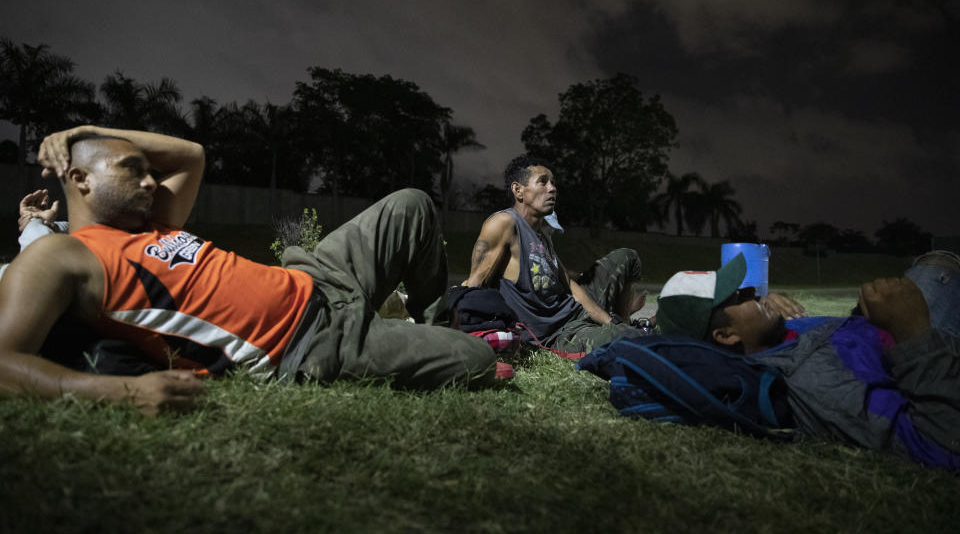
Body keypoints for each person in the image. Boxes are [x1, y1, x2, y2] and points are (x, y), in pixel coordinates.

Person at [0, 125, 496, 415]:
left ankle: (430, 326)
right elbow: (3, 360)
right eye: (133, 169)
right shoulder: (62, 255)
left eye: (150, 171)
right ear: (79, 178)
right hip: (310, 344)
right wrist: (120, 391)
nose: (152, 180)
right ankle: (404, 338)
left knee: (412, 204)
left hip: (318, 275)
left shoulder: (151, 222)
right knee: (478, 361)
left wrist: (83, 132)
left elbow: (191, 154)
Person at [655, 252, 960, 469]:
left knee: (932, 265)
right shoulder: (815, 382)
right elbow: (939, 442)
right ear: (725, 335)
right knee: (938, 269)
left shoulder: (767, 335)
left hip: (881, 334)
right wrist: (914, 333)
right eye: (741, 297)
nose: (756, 294)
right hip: (929, 351)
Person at [463, 155, 649, 353]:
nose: (552, 188)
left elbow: (568, 283)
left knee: (627, 257)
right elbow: (474, 285)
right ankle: (626, 330)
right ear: (518, 190)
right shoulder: (504, 223)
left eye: (553, 183)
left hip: (573, 313)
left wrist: (610, 322)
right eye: (543, 182)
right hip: (557, 335)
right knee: (634, 339)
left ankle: (623, 320)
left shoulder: (542, 234)